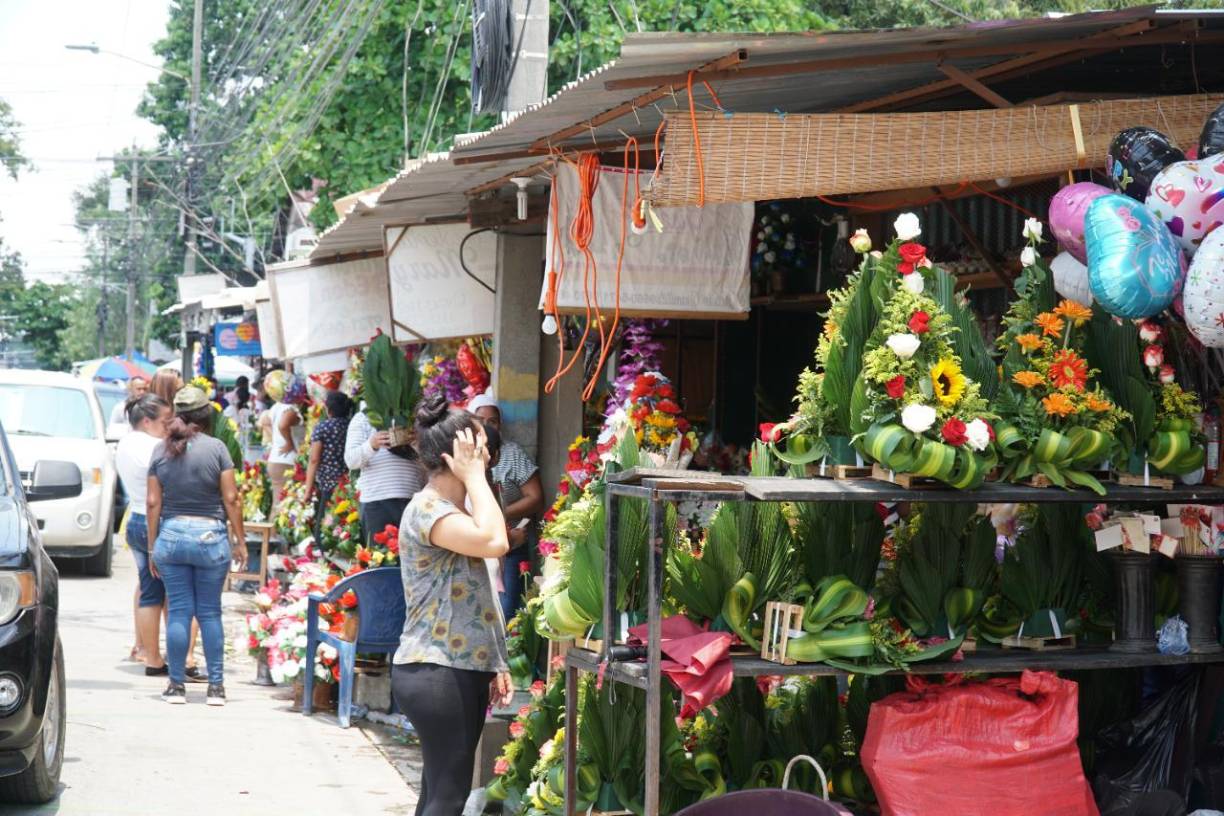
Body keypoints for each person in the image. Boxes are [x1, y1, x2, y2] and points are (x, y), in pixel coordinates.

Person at [392, 395, 513, 816]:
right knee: (447, 798)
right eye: (480, 451)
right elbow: (498, 542)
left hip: (456, 666)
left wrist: (496, 660)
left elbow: (478, 589)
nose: (488, 457)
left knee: (438, 794)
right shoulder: (429, 509)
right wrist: (476, 478)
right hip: (438, 668)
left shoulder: (452, 510)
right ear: (456, 455)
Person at [146, 386, 247, 705]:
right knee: (209, 613)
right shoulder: (217, 448)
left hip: (172, 537)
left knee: (179, 611)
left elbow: (152, 502)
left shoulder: (160, 451)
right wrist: (240, 541)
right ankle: (216, 687)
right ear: (206, 416)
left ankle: (176, 686)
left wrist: (152, 547)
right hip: (210, 538)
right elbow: (231, 498)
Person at [466, 393, 545, 620]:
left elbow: (536, 498)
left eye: (493, 421)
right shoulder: (463, 457)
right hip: (472, 547)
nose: (487, 426)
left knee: (506, 613)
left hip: (510, 545)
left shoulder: (511, 453)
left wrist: (500, 515)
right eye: (481, 420)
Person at [115, 394, 172, 675]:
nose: (168, 426)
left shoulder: (125, 443)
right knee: (169, 592)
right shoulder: (155, 446)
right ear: (147, 421)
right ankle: (164, 657)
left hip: (135, 518)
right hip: (155, 520)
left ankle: (151, 656)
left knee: (149, 590)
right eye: (164, 421)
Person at [344, 404, 426, 546]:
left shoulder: (413, 417)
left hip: (413, 500)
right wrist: (372, 445)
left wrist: (416, 442)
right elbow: (351, 460)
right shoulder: (364, 418)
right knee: (381, 559)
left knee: (414, 560)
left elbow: (430, 459)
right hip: (376, 502)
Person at [304, 390, 354, 538]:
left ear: (328, 409)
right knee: (344, 525)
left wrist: (308, 490)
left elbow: (314, 459)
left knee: (324, 527)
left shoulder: (322, 428)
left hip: (328, 483)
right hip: (348, 483)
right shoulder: (351, 426)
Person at [267, 376, 306, 509]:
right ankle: (273, 530)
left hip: (276, 458)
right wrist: (289, 442)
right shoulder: (290, 408)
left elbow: (266, 422)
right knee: (284, 506)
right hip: (285, 461)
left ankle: (271, 530)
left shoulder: (276, 407)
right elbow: (283, 425)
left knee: (277, 505)